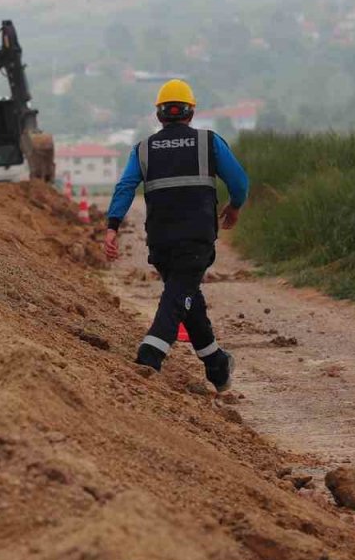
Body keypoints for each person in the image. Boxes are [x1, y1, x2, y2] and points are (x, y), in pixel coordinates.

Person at [103, 79, 249, 391]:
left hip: (161, 242)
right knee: (178, 297)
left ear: (159, 115)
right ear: (191, 112)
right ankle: (150, 355)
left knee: (185, 295)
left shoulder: (143, 150)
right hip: (196, 239)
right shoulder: (208, 142)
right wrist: (235, 207)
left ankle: (217, 365)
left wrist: (112, 227)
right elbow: (239, 182)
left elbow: (125, 187)